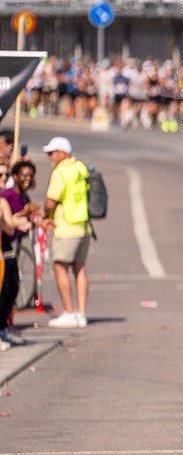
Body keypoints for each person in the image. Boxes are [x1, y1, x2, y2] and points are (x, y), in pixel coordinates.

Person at [42, 137, 92, 329]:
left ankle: (69, 311)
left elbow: (50, 201)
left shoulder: (61, 171)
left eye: (52, 152)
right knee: (80, 268)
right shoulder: (81, 167)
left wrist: (46, 215)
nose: (50, 157)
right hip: (84, 224)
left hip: (66, 224)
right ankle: (81, 313)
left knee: (59, 266)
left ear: (63, 152)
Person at [0, 161, 37, 346]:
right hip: (5, 247)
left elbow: (9, 225)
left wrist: (25, 221)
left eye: (5, 175)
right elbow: (9, 225)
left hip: (7, 248)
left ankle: (2, 328)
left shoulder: (3, 201)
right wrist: (22, 217)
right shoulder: (6, 197)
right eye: (1, 175)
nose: (3, 179)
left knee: (10, 288)